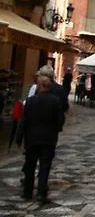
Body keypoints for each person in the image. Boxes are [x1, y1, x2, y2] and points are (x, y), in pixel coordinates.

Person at [18, 74, 64, 204]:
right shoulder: (55, 101)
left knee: (30, 165)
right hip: (48, 139)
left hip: (31, 138)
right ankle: (41, 194)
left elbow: (24, 121)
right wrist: (56, 130)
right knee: (45, 166)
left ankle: (27, 192)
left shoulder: (31, 101)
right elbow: (60, 120)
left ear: (39, 86)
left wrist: (19, 137)